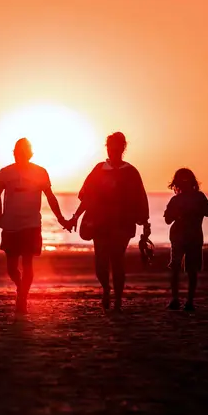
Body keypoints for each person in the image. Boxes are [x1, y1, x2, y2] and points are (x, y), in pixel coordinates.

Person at [67, 132, 150, 311]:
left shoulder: (131, 172)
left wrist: (145, 223)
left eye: (116, 147)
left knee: (117, 260)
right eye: (110, 147)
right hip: (100, 222)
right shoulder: (99, 169)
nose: (112, 151)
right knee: (100, 263)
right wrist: (75, 216)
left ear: (123, 148)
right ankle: (106, 289)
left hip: (123, 223)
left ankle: (118, 300)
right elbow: (87, 198)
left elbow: (140, 198)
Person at [0, 138, 70, 314]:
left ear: (29, 154)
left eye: (23, 152)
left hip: (31, 224)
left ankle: (22, 297)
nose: (19, 154)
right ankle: (21, 288)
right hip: (10, 225)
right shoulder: (5, 172)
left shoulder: (40, 172)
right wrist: (0, 216)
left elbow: (50, 196)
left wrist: (60, 218)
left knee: (28, 263)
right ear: (14, 153)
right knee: (11, 268)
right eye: (17, 152)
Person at [164, 168, 208, 311]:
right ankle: (181, 300)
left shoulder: (196, 197)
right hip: (184, 236)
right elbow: (168, 219)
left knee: (185, 269)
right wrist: (180, 213)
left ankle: (185, 301)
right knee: (180, 268)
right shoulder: (182, 199)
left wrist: (192, 210)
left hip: (190, 236)